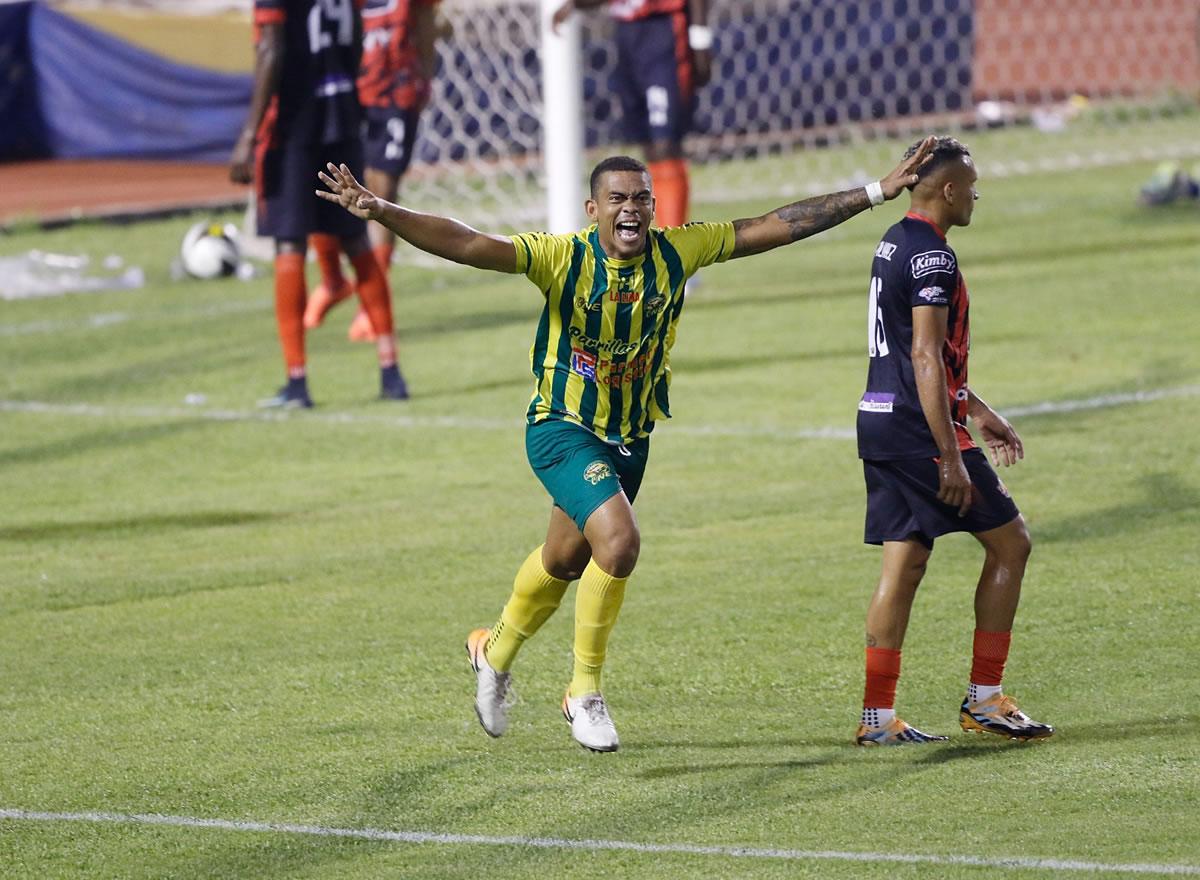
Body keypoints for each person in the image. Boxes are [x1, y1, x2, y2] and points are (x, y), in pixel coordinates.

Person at [317, 139, 934, 751]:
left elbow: (775, 225)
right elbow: (472, 244)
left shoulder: (679, 252)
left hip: (631, 437)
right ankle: (583, 692)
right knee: (619, 541)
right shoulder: (560, 258)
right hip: (561, 427)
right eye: (617, 199)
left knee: (565, 560)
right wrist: (384, 210)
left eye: (642, 198)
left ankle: (492, 650)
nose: (631, 209)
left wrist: (876, 191)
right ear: (593, 209)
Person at [853, 136, 1055, 746]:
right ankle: (986, 699)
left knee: (906, 560)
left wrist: (976, 406)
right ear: (946, 190)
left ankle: (877, 718)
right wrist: (950, 451)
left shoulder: (894, 238)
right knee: (1011, 544)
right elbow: (923, 354)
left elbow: (919, 353)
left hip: (879, 418)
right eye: (970, 184)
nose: (976, 193)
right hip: (920, 431)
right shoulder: (934, 259)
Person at [229, 0, 408, 407]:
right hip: (342, 116)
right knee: (355, 239)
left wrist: (248, 135)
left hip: (292, 127)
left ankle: (297, 382)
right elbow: (359, 38)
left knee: (289, 244)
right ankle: (390, 371)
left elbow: (271, 46)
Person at [304, 0, 442, 345]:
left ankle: (371, 303)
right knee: (325, 180)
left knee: (381, 194)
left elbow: (425, 17)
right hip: (345, 85)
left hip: (395, 84)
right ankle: (333, 278)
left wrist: (425, 74)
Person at [551, 0, 711, 229]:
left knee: (665, 143)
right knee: (648, 144)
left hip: (664, 29)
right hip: (627, 33)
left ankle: (674, 241)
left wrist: (700, 39)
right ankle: (662, 238)